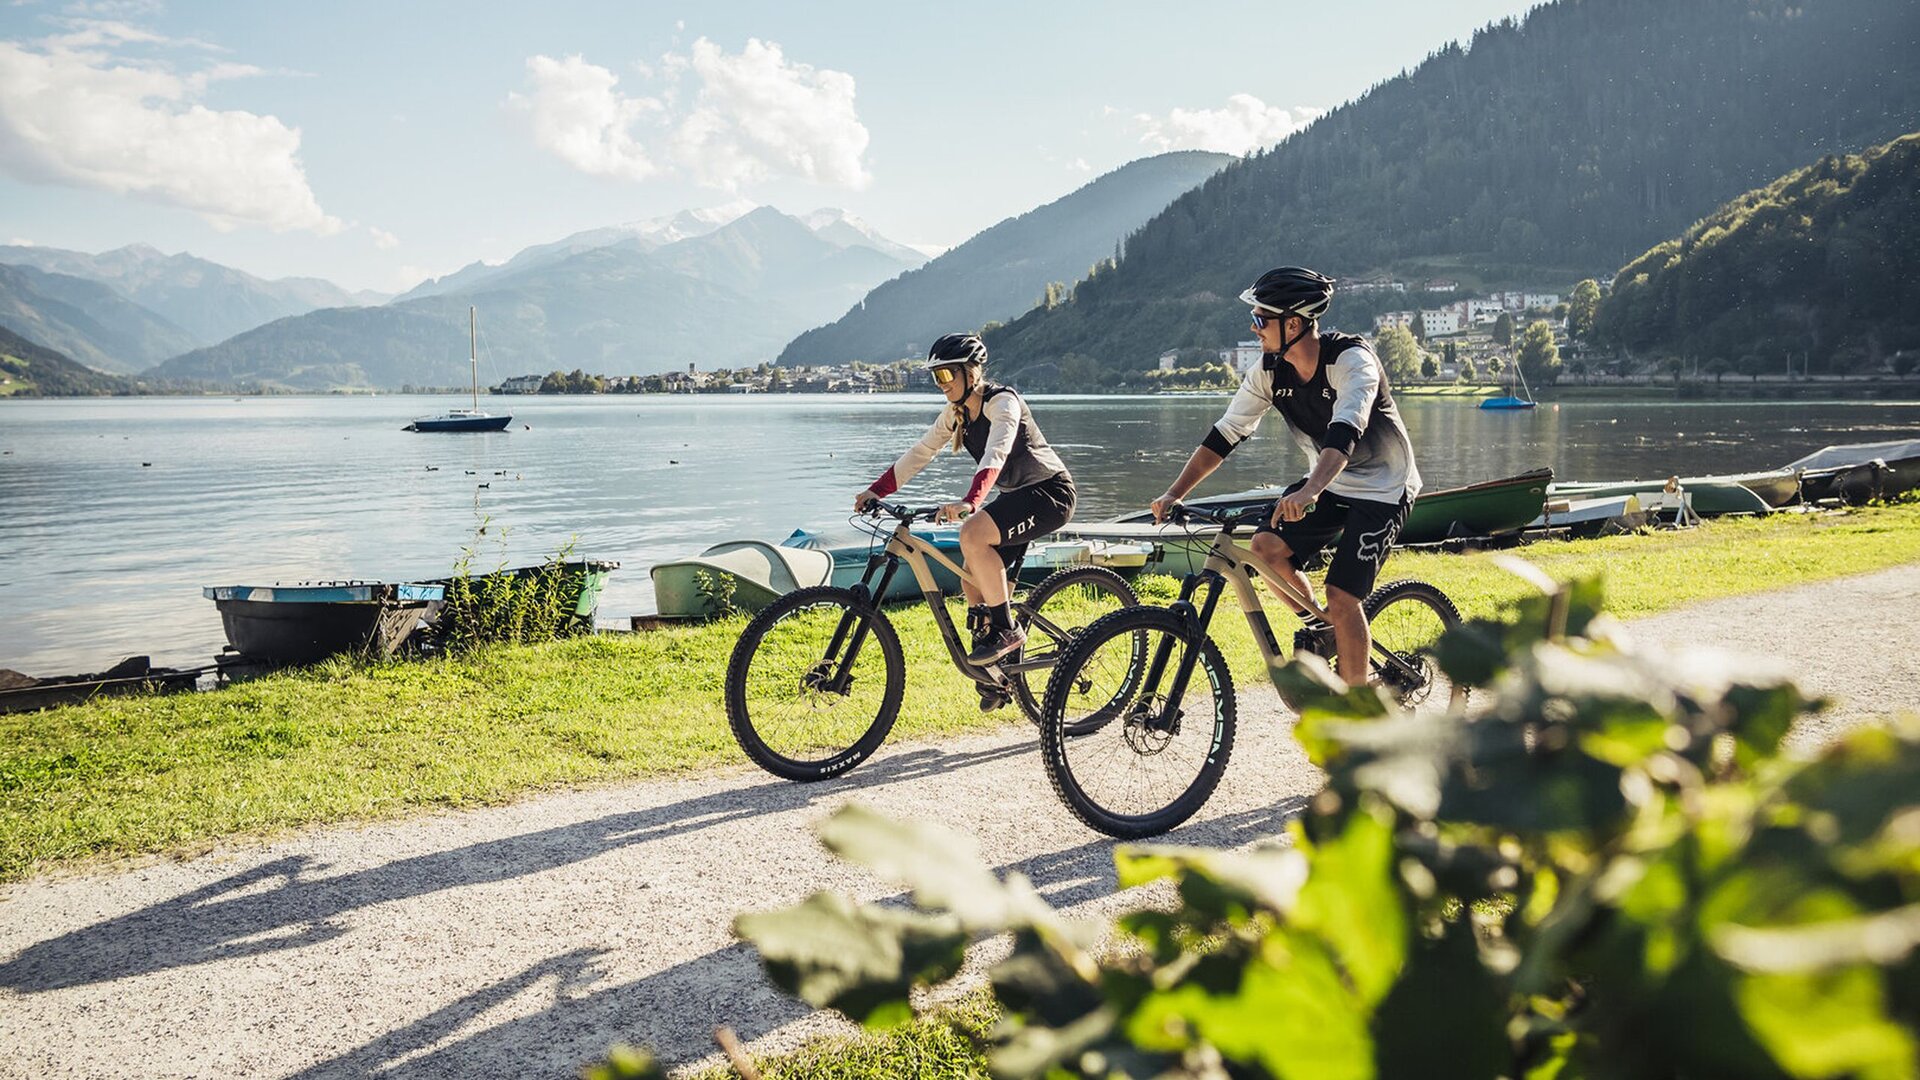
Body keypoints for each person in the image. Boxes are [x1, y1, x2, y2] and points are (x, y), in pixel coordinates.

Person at [1150, 266, 1422, 687]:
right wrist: (1173, 492)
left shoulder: (1352, 361)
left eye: (1261, 319)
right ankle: (1326, 628)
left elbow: (1345, 432)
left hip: (1385, 489)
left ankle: (1355, 717)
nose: (1254, 327)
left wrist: (1311, 490)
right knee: (1266, 547)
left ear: (1292, 323)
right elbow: (1225, 434)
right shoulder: (1270, 372)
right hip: (1328, 483)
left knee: (1344, 595)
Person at [854, 333, 1076, 707]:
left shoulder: (1003, 403)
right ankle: (994, 674)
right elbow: (921, 452)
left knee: (972, 535)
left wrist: (971, 502)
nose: (942, 385)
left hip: (1049, 494)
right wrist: (877, 490)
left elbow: (997, 453)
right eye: (935, 378)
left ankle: (1006, 631)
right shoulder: (956, 414)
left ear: (971, 373)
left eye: (946, 376)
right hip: (1016, 498)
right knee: (970, 579)